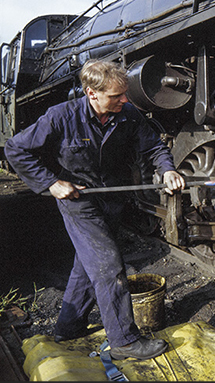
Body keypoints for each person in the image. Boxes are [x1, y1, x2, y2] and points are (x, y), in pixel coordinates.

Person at [4, 59, 186, 360]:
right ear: (91, 93)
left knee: (87, 266)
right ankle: (125, 341)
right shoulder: (61, 117)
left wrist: (167, 170)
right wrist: (51, 183)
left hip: (111, 202)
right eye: (116, 96)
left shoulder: (127, 115)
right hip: (79, 204)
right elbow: (15, 149)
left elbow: (154, 146)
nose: (125, 100)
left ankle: (68, 328)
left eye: (124, 94)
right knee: (108, 266)